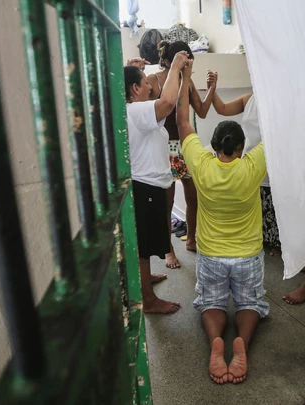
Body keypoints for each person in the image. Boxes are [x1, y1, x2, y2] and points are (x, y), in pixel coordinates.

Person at [177, 66, 269, 384]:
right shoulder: (253, 165)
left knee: (212, 303)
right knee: (249, 303)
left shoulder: (201, 164)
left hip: (211, 255)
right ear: (242, 146)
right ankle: (241, 340)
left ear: (214, 146)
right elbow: (275, 132)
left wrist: (182, 80)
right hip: (247, 255)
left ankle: (216, 340)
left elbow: (183, 122)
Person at [124, 52, 190, 314]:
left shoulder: (139, 112)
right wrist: (174, 67)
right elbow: (169, 102)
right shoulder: (137, 110)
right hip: (145, 187)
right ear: (135, 88)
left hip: (148, 185)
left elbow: (165, 104)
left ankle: (145, 278)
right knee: (143, 247)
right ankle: (148, 300)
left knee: (148, 242)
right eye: (146, 83)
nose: (151, 87)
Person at [149, 41, 214, 269]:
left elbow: (203, 112)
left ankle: (191, 239)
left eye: (189, 59)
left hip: (185, 145)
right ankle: (168, 250)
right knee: (166, 201)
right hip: (164, 147)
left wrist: (211, 88)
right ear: (168, 60)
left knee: (193, 196)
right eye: (183, 58)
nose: (188, 63)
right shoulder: (154, 81)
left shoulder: (188, 81)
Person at [207, 72, 282, 256]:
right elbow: (222, 109)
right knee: (254, 203)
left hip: (271, 163)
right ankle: (262, 240)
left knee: (273, 203)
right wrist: (212, 89)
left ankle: (276, 244)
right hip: (248, 164)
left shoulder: (279, 103)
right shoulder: (249, 99)